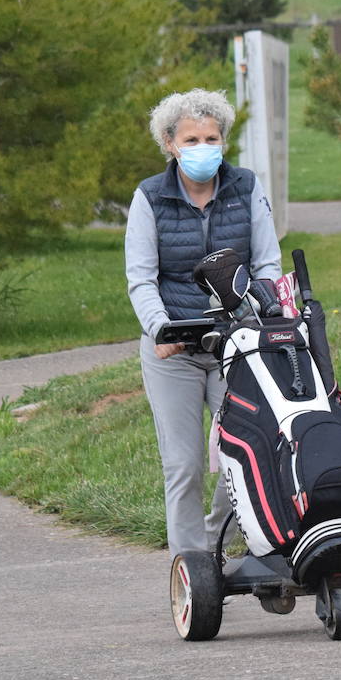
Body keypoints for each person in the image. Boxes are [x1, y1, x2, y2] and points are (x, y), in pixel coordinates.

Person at [125, 88, 282, 556]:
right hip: (174, 352)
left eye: (212, 138)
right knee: (185, 466)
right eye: (191, 139)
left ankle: (212, 545)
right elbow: (141, 278)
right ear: (170, 144)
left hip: (235, 346)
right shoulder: (150, 197)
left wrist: (261, 313)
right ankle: (191, 572)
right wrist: (159, 329)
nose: (203, 147)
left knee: (245, 455)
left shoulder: (247, 188)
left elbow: (268, 264)